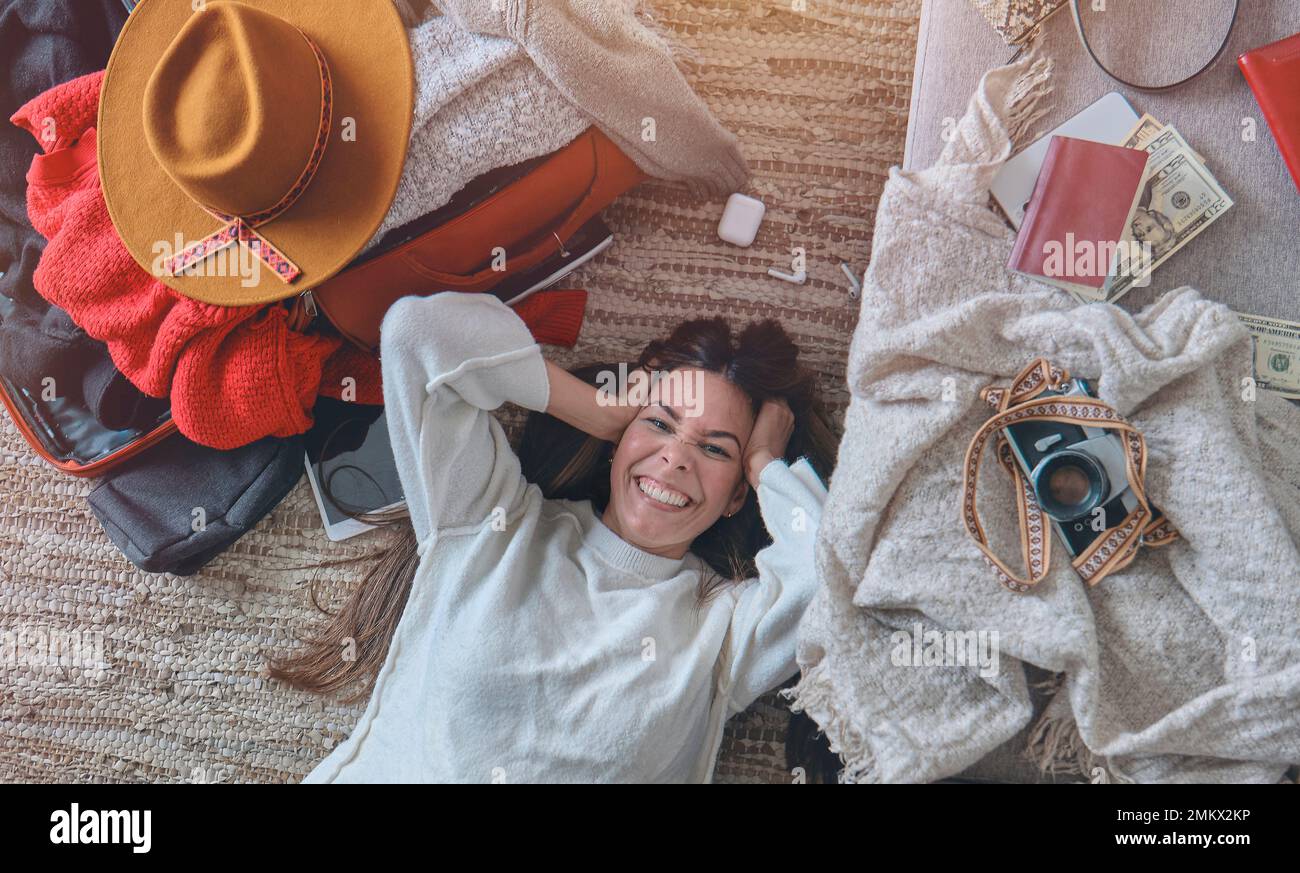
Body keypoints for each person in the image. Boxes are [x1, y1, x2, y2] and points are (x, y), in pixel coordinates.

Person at [273, 291, 839, 782]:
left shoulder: (723, 629)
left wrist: (766, 463)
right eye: (660, 424)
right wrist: (591, 408)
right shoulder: (494, 521)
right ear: (621, 437)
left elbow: (827, 575)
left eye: (715, 448)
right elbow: (417, 334)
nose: (675, 457)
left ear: (738, 495)